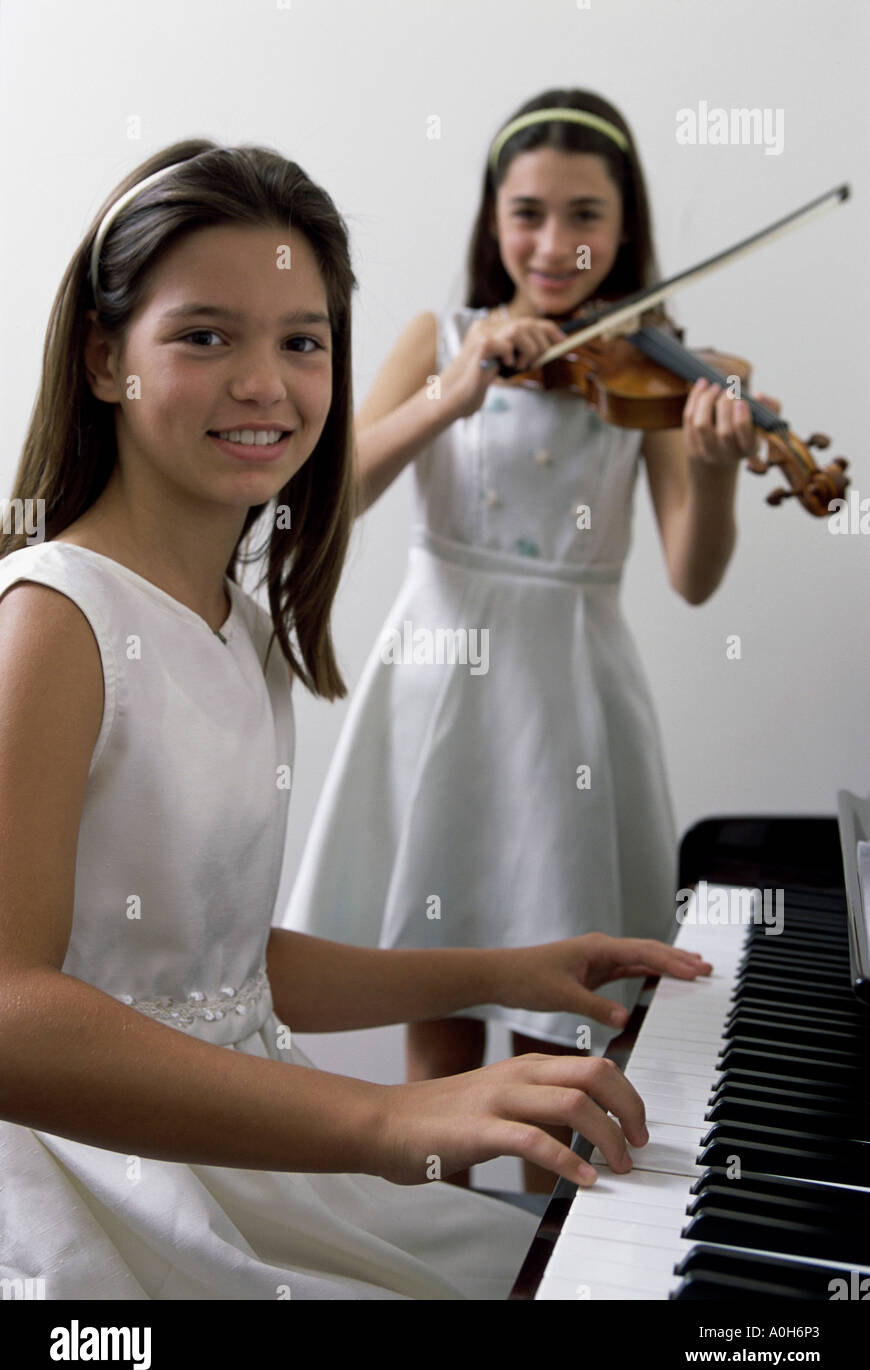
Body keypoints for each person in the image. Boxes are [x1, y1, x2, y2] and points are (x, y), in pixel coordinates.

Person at [0, 139, 713, 1300]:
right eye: (204, 334)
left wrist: (508, 970)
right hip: (105, 1188)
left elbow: (211, 973)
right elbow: (13, 1014)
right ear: (101, 358)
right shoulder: (54, 616)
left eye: (303, 341)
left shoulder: (232, 617)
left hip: (246, 1156)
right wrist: (385, 1117)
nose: (265, 384)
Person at [282, 90, 774, 1192]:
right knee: (436, 991)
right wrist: (453, 397)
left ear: (626, 224)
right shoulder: (442, 340)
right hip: (437, 697)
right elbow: (333, 497)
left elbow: (693, 577)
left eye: (586, 215)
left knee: (564, 1024)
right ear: (492, 218)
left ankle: (546, 1255)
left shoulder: (653, 370)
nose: (555, 246)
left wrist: (716, 465)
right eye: (529, 213)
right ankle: (437, 1239)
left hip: (571, 706)